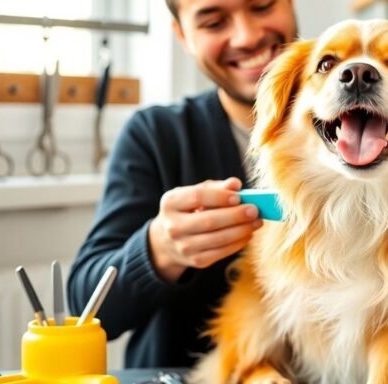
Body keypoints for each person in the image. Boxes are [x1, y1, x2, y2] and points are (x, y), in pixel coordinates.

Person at [67, 0, 298, 369]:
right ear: (182, 35)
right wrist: (160, 249)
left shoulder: (381, 133)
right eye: (213, 22)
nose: (248, 36)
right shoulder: (155, 137)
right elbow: (84, 305)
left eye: (262, 5)